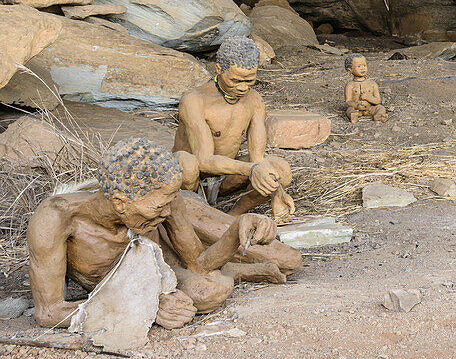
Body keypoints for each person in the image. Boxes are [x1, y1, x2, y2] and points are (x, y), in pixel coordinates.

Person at [27, 138, 299, 329]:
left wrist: (239, 227)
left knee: (290, 260)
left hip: (175, 249)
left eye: (171, 202)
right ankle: (240, 271)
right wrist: (146, 308)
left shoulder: (168, 203)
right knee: (206, 291)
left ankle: (238, 268)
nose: (168, 214)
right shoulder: (57, 218)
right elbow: (49, 312)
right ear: (120, 201)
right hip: (160, 273)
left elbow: (199, 263)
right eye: (159, 207)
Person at [174, 36, 294, 220]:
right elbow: (203, 160)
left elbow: (258, 159)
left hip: (226, 176)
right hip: (191, 178)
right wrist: (252, 170)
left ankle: (233, 216)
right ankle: (192, 215)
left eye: (250, 81)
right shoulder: (195, 100)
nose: (243, 88)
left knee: (281, 169)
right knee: (187, 164)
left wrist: (276, 193)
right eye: (236, 81)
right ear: (219, 69)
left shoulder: (254, 101)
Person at [344, 53, 387, 122]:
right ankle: (353, 116)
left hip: (370, 108)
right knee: (349, 110)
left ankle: (379, 116)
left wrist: (368, 97)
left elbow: (378, 101)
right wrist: (357, 106)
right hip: (357, 109)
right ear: (350, 70)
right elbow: (348, 101)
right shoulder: (350, 85)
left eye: (364, 65)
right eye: (359, 66)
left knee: (380, 108)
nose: (362, 68)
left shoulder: (372, 84)